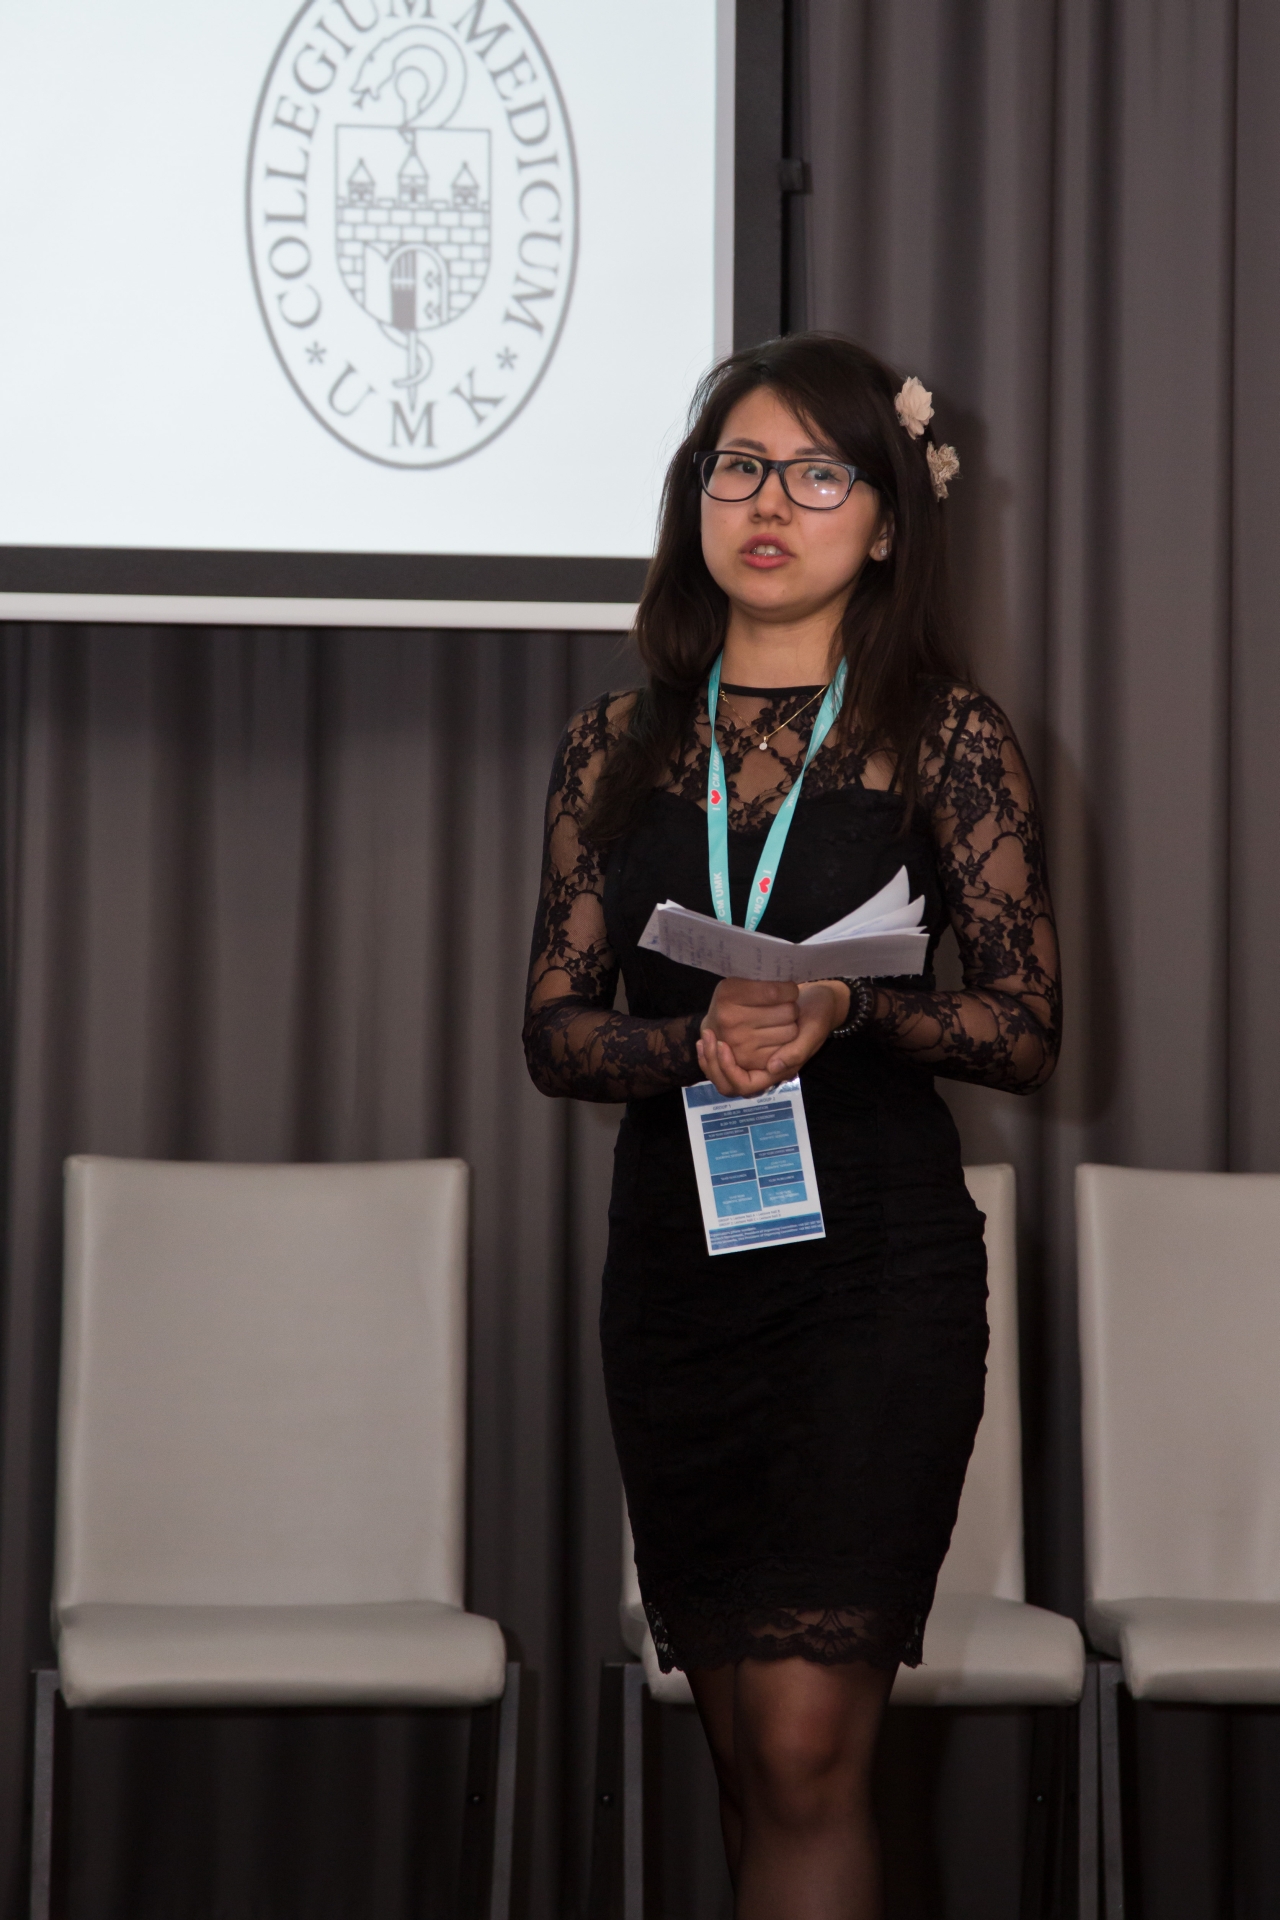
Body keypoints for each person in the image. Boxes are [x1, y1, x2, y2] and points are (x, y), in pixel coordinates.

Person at [523, 332, 1060, 1920]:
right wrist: (691, 1041)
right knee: (749, 1762)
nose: (770, 503)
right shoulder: (613, 745)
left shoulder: (948, 737)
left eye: (821, 474)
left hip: (874, 1282)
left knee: (812, 1750)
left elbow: (1024, 1025)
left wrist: (847, 1009)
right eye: (739, 467)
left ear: (886, 522)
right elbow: (555, 1031)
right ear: (694, 499)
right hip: (679, 1284)